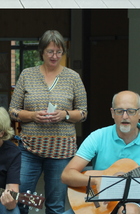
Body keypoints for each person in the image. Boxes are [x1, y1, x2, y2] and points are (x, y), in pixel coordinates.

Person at [61, 91, 140, 213]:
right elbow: (67, 175)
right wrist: (96, 180)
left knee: (128, 211)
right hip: (99, 204)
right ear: (112, 113)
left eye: (131, 111)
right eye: (119, 111)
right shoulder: (98, 137)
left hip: (134, 204)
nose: (125, 116)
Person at [8, 30, 87, 214]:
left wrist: (65, 115)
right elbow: (12, 111)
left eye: (59, 52)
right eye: (50, 51)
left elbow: (83, 113)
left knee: (56, 205)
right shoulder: (27, 75)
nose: (54, 56)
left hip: (61, 152)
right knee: (21, 201)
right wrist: (33, 116)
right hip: (29, 149)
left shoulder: (73, 77)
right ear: (42, 51)